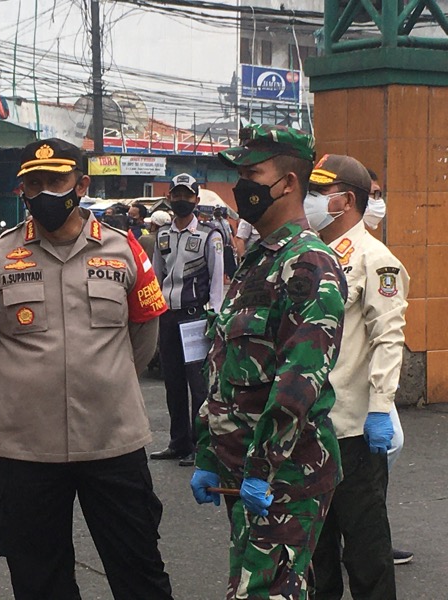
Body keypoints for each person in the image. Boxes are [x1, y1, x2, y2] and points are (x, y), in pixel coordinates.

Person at [0, 138, 173, 600]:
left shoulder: (126, 252)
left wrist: (106, 382)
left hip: (112, 441)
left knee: (139, 571)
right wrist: (26, 392)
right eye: (33, 184)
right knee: (39, 578)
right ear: (22, 191)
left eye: (55, 181)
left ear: (82, 184)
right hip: (26, 450)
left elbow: (144, 334)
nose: (44, 193)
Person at [190, 124, 348, 600]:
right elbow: (223, 370)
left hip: (284, 474)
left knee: (261, 593)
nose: (242, 185)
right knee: (273, 587)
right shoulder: (258, 259)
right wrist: (207, 454)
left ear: (288, 183)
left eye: (253, 172)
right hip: (244, 472)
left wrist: (260, 470)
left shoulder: (309, 265)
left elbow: (298, 384)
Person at [303, 154, 405, 599]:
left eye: (317, 193)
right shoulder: (309, 254)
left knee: (366, 557)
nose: (309, 201)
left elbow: (388, 337)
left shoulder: (374, 260)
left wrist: (381, 406)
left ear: (344, 201)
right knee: (315, 558)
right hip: (307, 430)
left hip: (352, 432)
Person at [150, 172, 224, 467]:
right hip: (168, 317)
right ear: (169, 198)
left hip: (196, 319)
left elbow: (217, 279)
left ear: (196, 199)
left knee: (199, 386)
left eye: (187, 195)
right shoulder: (163, 235)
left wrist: (216, 317)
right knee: (173, 383)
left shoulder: (209, 236)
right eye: (176, 195)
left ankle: (200, 445)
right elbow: (156, 276)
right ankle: (178, 442)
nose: (182, 200)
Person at [362, 168, 413, 567]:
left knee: (387, 442)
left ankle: (366, 530)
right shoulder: (320, 249)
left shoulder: (375, 254)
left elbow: (388, 332)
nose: (378, 202)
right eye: (373, 193)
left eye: (381, 193)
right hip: (332, 376)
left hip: (367, 376)